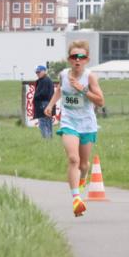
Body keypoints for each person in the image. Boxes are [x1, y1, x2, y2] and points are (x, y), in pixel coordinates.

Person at [45, 41, 105, 217]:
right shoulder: (63, 74)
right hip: (69, 122)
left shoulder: (90, 77)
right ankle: (76, 199)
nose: (77, 60)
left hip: (86, 123)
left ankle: (82, 180)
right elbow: (59, 90)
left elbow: (101, 101)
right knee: (73, 159)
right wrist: (50, 105)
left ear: (87, 59)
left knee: (84, 165)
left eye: (81, 57)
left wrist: (83, 89)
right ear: (69, 59)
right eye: (74, 56)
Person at [33, 65, 55, 139]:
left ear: (44, 71)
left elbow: (44, 93)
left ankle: (46, 139)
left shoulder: (44, 80)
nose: (37, 73)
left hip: (44, 103)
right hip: (48, 103)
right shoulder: (47, 79)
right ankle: (49, 140)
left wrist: (36, 97)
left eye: (39, 72)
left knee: (43, 123)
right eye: (36, 72)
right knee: (48, 123)